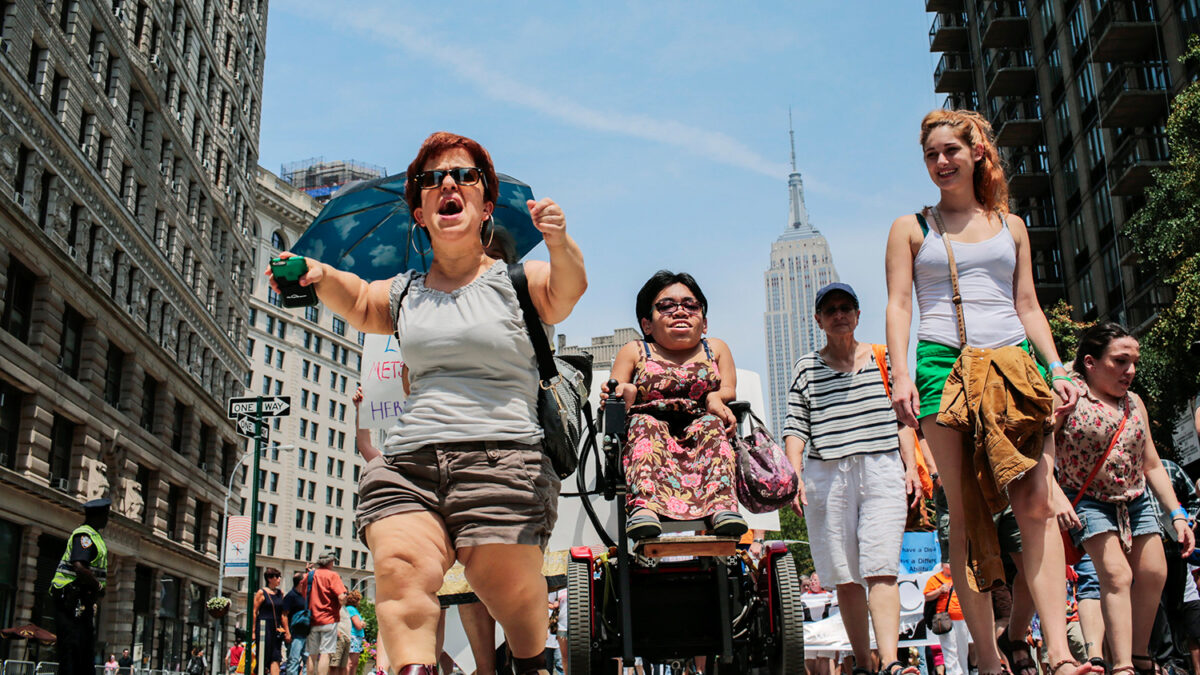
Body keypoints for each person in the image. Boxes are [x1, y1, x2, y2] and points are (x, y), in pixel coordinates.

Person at [272, 131, 586, 675]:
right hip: (411, 462)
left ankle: (533, 659)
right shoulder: (405, 291)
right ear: (419, 210)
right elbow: (362, 298)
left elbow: (565, 292)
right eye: (431, 179)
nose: (447, 183)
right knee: (400, 568)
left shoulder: (517, 280)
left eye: (464, 176)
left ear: (485, 206)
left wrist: (559, 242)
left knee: (503, 585)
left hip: (503, 458)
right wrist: (319, 276)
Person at [884, 109, 1093, 675]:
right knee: (966, 510)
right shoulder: (912, 227)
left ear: (976, 152)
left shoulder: (1012, 225)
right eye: (931, 155)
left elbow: (1027, 305)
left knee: (1036, 505)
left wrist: (1057, 369)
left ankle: (1058, 651)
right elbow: (900, 305)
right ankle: (990, 661)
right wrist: (899, 374)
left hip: (1012, 367)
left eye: (950, 150)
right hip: (941, 367)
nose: (941, 162)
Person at [784, 281, 922, 675]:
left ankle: (893, 662)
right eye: (831, 310)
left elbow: (904, 419)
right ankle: (864, 663)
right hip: (827, 472)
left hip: (881, 468)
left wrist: (910, 467)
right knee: (844, 574)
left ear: (858, 315)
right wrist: (794, 475)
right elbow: (796, 426)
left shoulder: (884, 358)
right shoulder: (806, 367)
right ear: (819, 320)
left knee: (882, 567)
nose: (840, 314)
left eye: (847, 307)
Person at [1053, 322, 1196, 675]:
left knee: (1154, 571)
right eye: (1120, 361)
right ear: (1090, 362)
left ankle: (1139, 654)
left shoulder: (1134, 403)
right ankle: (1122, 666)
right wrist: (1053, 493)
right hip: (1086, 499)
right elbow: (1042, 450)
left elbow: (1151, 464)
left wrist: (1176, 514)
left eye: (1134, 362)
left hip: (1134, 498)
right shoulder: (1067, 394)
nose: (1130, 371)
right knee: (1116, 576)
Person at [605, 270, 745, 540]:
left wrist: (716, 397)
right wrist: (628, 391)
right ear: (647, 324)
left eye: (691, 305)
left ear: (704, 323)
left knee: (712, 426)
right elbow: (614, 393)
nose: (680, 311)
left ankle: (721, 508)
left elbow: (728, 388)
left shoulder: (715, 349)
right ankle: (645, 509)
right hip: (649, 431)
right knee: (645, 425)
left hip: (702, 430)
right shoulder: (634, 351)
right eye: (666, 306)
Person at [50, 498, 110, 675]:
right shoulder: (84, 536)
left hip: (81, 603)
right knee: (72, 654)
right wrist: (98, 586)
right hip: (71, 601)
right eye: (106, 515)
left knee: (84, 655)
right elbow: (79, 566)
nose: (107, 519)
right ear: (98, 515)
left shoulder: (95, 536)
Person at [299, 551, 348, 675]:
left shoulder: (309, 576)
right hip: (329, 619)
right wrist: (342, 602)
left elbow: (303, 593)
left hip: (312, 619)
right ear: (330, 562)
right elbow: (341, 597)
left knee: (312, 654)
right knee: (326, 653)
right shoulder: (332, 576)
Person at [923, 564, 967, 675]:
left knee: (963, 649)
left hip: (962, 618)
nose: (950, 564)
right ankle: (953, 673)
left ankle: (964, 672)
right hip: (944, 619)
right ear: (942, 565)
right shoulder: (935, 579)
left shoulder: (962, 577)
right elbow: (927, 596)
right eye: (947, 562)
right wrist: (939, 590)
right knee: (949, 650)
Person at [254, 567, 289, 675]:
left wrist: (287, 631)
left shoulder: (280, 593)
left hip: (276, 628)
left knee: (276, 656)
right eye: (277, 577)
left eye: (279, 577)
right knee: (263, 655)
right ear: (270, 578)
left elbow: (283, 614)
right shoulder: (261, 592)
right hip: (264, 627)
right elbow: (254, 612)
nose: (279, 579)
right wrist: (253, 631)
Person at [283, 571, 311, 675]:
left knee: (307, 660)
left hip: (307, 633)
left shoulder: (306, 596)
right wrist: (287, 632)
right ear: (301, 583)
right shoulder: (291, 596)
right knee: (293, 659)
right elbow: (284, 615)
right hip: (295, 634)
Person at [345, 591, 367, 675]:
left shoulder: (350, 609)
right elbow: (358, 625)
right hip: (354, 637)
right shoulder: (352, 610)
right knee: (351, 663)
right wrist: (363, 624)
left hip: (355, 637)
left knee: (353, 663)